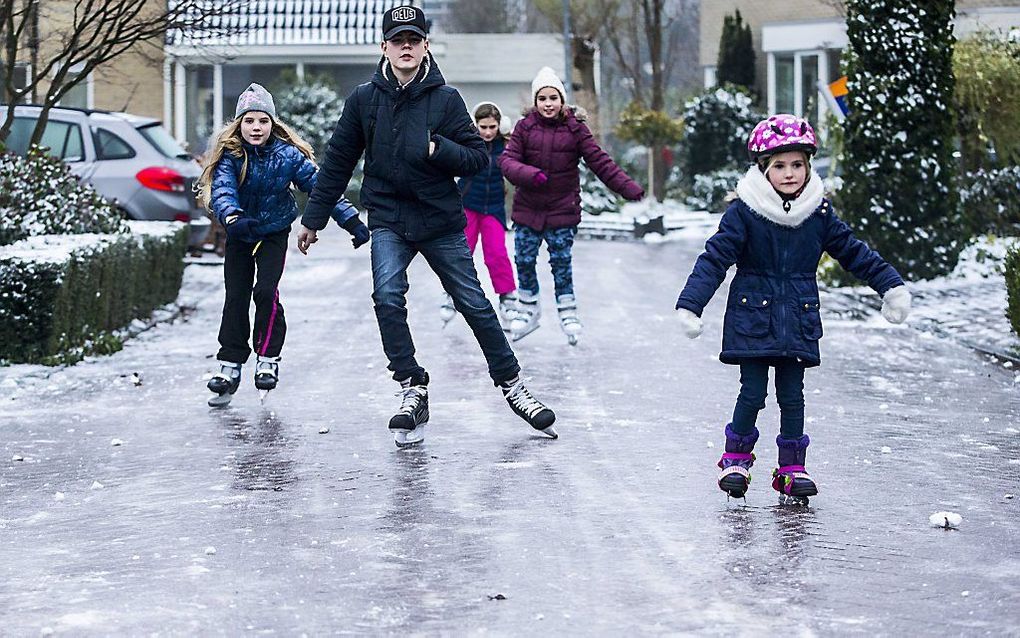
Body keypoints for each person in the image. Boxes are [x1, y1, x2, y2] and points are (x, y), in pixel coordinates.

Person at [297, 5, 557, 447]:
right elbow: (339, 161)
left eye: (413, 40)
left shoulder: (446, 99)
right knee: (387, 296)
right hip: (389, 218)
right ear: (384, 47)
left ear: (424, 47)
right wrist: (314, 218)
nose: (405, 47)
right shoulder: (364, 99)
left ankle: (513, 385)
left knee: (473, 302)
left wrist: (439, 150)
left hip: (439, 218)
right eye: (397, 40)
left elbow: (477, 156)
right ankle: (412, 386)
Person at [674, 114, 912, 504]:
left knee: (792, 395)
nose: (789, 173)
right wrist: (691, 304)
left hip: (798, 320)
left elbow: (855, 253)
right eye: (779, 166)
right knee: (752, 392)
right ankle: (736, 459)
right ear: (763, 169)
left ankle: (792, 468)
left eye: (797, 164)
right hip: (752, 318)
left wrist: (890, 286)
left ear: (808, 166)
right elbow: (715, 259)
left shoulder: (818, 215)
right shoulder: (744, 212)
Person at [198, 83, 369, 407]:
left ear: (272, 124)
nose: (256, 128)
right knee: (236, 296)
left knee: (265, 291)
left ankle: (267, 357)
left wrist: (351, 221)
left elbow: (322, 189)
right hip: (240, 233)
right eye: (249, 121)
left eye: (263, 121)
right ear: (239, 125)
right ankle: (230, 364)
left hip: (273, 234)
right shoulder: (230, 155)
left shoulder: (287, 155)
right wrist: (233, 217)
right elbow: (221, 191)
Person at [498, 66, 644, 345]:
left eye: (553, 98)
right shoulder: (524, 127)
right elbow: (507, 161)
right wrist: (530, 174)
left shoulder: (575, 129)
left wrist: (627, 188)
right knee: (524, 258)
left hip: (562, 209)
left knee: (561, 262)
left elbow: (601, 162)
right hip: (528, 209)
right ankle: (528, 308)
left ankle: (567, 310)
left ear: (562, 100)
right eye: (542, 99)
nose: (548, 104)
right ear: (535, 101)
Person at [439, 101, 519, 330]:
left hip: (493, 208)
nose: (487, 132)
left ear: (499, 126)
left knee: (496, 253)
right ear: (476, 125)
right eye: (483, 126)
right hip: (468, 205)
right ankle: (451, 293)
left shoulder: (506, 145)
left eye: (492, 127)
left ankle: (507, 298)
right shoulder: (468, 141)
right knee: (462, 252)